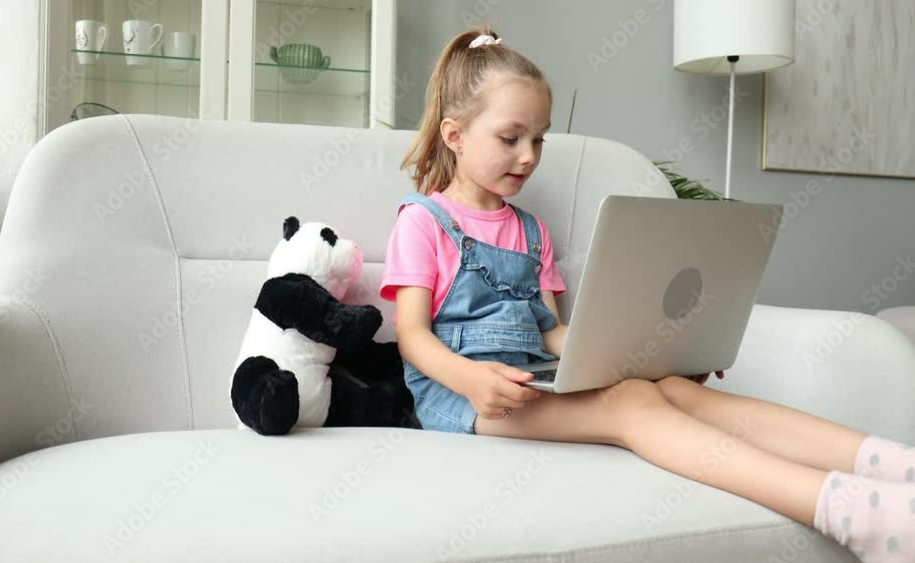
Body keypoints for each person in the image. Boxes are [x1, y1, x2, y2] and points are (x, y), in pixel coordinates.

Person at [379, 26, 915, 563]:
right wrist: (471, 380)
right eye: (510, 138)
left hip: (531, 378)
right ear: (454, 135)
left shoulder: (532, 231)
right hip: (462, 398)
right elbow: (412, 336)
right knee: (631, 406)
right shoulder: (423, 221)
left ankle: (893, 466)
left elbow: (552, 332)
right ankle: (854, 514)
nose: (528, 156)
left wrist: (655, 353)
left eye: (539, 139)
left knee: (676, 390)